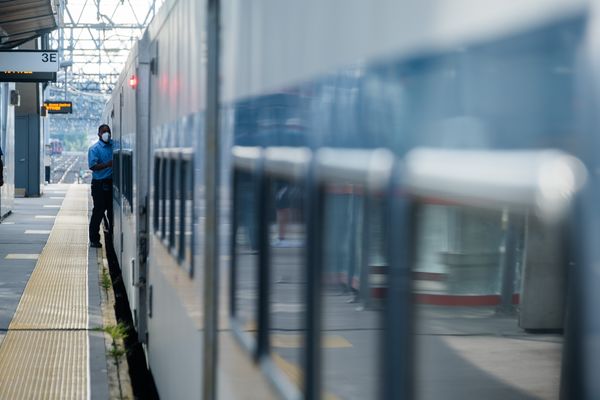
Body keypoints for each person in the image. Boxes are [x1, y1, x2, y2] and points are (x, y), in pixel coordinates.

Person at [88, 124, 113, 248]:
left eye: (108, 131)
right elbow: (92, 166)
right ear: (99, 134)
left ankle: (112, 235)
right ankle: (94, 239)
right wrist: (107, 165)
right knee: (98, 212)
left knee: (112, 212)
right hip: (99, 185)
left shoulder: (114, 145)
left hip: (111, 185)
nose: (106, 134)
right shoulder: (94, 149)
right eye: (104, 132)